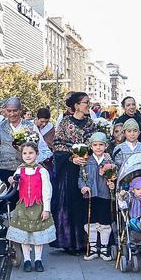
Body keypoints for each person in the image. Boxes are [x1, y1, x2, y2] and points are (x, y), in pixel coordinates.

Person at [52, 92, 97, 254]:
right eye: (85, 102)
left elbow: (95, 144)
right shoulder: (65, 123)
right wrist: (72, 158)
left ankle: (87, 242)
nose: (88, 105)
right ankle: (70, 242)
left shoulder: (91, 123)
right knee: (70, 203)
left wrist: (87, 154)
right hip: (69, 170)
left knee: (86, 202)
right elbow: (57, 145)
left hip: (86, 168)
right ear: (77, 105)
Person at [6, 142, 54, 272]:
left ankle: (38, 260)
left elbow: (46, 190)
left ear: (37, 154)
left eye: (31, 153)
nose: (28, 156)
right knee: (24, 234)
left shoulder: (42, 171)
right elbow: (15, 186)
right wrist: (12, 180)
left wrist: (46, 209)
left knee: (38, 234)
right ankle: (27, 259)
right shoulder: (19, 170)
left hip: (37, 205)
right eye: (25, 153)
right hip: (23, 206)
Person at [0, 97, 52, 181]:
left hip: (26, 173)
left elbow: (44, 150)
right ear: (5, 111)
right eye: (9, 111)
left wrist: (33, 161)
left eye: (15, 110)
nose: (12, 114)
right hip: (4, 172)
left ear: (20, 110)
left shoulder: (30, 127)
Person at [79, 132, 116, 261]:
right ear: (91, 146)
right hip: (90, 195)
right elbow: (81, 177)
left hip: (104, 194)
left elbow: (113, 177)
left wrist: (112, 184)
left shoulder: (109, 161)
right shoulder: (86, 161)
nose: (98, 147)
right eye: (95, 145)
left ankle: (104, 248)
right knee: (91, 222)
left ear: (105, 146)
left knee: (104, 221)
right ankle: (93, 248)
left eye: (101, 145)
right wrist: (83, 186)